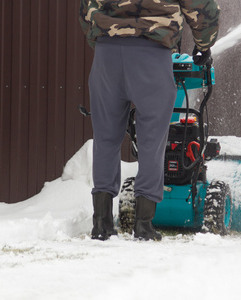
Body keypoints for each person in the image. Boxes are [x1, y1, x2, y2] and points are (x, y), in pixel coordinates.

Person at [79, 0, 220, 241]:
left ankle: (101, 224)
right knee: (152, 141)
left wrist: (104, 39)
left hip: (106, 54)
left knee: (105, 138)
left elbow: (86, 10)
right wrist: (204, 44)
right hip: (152, 53)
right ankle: (143, 225)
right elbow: (201, 6)